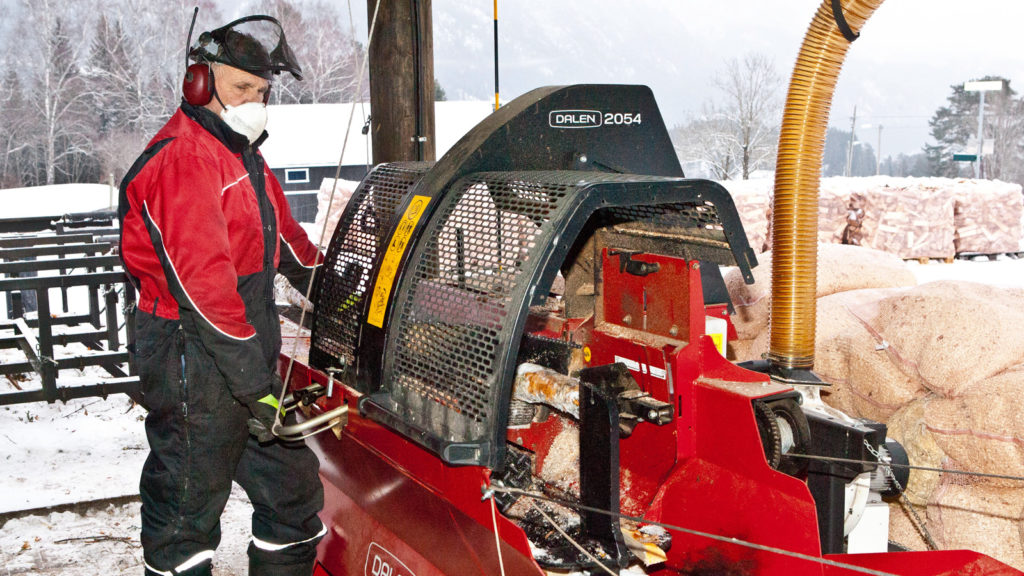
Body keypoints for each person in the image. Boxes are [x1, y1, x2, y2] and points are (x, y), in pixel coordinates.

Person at [118, 15, 325, 576]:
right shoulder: (184, 162)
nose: (254, 101)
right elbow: (205, 292)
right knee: (187, 513)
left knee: (292, 496)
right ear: (200, 85)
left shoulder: (242, 154)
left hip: (241, 346)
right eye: (241, 88)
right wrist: (257, 388)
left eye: (261, 91)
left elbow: (284, 236)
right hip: (192, 355)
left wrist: (330, 289)